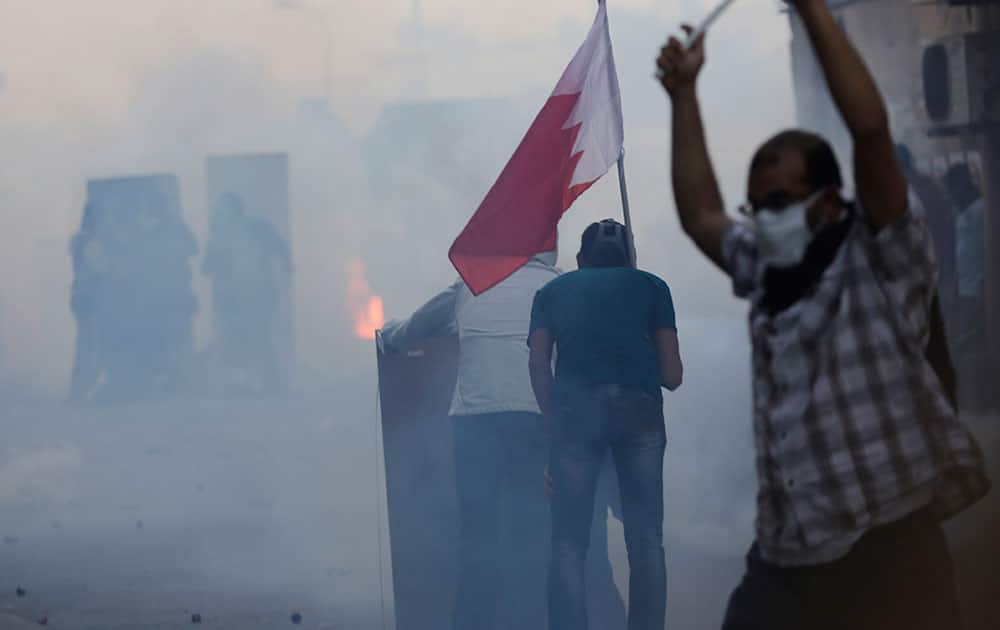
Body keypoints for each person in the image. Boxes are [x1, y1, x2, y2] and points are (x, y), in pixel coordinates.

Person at [656, 1, 990, 627]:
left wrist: (810, 7)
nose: (766, 217)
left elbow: (868, 130)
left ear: (829, 199)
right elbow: (701, 214)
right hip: (788, 554)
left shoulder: (880, 257)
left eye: (781, 200)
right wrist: (683, 94)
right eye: (758, 206)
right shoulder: (764, 271)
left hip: (886, 543)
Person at [381, 249, 625, 630]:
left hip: (477, 423)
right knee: (544, 533)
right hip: (541, 419)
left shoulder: (469, 286)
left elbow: (410, 329)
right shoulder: (561, 284)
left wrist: (387, 339)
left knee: (479, 540)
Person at [528, 219, 683, 630]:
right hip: (640, 413)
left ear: (579, 260)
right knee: (646, 537)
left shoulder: (550, 293)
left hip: (574, 414)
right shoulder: (652, 287)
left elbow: (538, 364)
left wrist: (553, 420)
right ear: (630, 257)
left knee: (568, 539)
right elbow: (672, 375)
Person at [203, 193, 291, 395]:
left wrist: (286, 265)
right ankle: (244, 383)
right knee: (237, 338)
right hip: (233, 297)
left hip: (258, 293)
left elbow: (279, 247)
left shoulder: (257, 229)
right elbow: (206, 267)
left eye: (225, 209)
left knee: (259, 335)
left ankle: (270, 383)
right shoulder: (219, 235)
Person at [943, 162, 989, 412]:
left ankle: (982, 402)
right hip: (965, 291)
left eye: (951, 189)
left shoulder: (983, 211)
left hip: (979, 292)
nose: (950, 195)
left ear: (963, 186)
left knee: (975, 348)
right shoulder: (961, 214)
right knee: (966, 347)